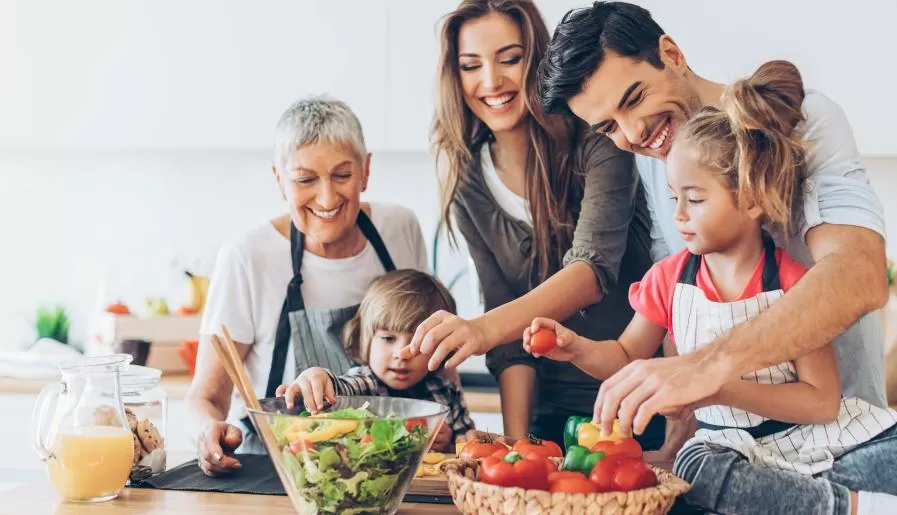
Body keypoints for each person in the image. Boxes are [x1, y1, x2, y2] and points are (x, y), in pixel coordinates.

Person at [527, 59, 897, 515]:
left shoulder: (797, 286)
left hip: (822, 443)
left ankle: (793, 498)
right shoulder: (669, 280)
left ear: (754, 198)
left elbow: (820, 403)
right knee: (698, 467)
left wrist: (714, 386)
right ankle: (857, 507)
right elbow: (625, 357)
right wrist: (576, 347)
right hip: (734, 451)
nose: (678, 214)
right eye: (675, 197)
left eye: (695, 199)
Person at [538, 1, 892, 443]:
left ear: (671, 54)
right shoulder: (657, 158)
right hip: (732, 445)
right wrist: (679, 434)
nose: (633, 135)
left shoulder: (805, 120)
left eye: (634, 99)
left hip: (844, 433)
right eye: (608, 127)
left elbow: (859, 274)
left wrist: (708, 369)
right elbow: (678, 312)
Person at [399, 0, 676, 453]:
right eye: (472, 66)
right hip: (547, 414)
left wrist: (480, 328)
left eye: (510, 59)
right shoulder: (468, 180)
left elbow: (591, 272)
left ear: (538, 60)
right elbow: (508, 344)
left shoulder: (600, 138)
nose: (491, 82)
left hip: (636, 403)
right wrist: (515, 445)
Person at [186, 95, 429, 476]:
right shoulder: (248, 256)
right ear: (279, 179)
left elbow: (434, 353)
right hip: (277, 472)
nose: (328, 197)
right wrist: (207, 433)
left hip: (387, 468)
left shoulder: (399, 230)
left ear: (366, 170)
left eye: (343, 175)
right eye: (305, 179)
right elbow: (206, 396)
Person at [276, 270, 476, 452]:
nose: (402, 354)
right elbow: (339, 388)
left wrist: (451, 442)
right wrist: (318, 377)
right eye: (388, 339)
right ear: (365, 340)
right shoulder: (364, 384)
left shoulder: (447, 391)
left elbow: (475, 445)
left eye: (418, 343)